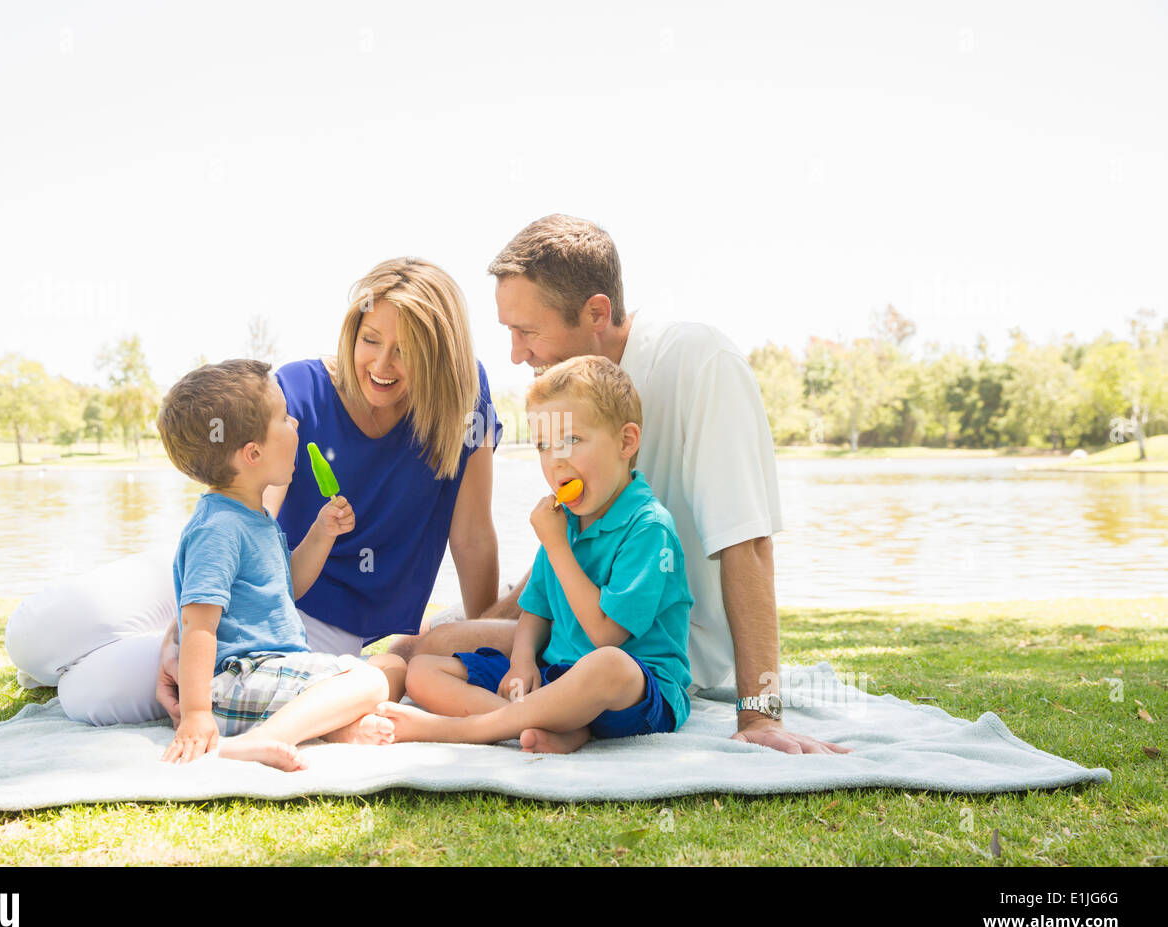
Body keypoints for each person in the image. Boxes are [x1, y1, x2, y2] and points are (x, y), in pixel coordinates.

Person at [390, 216, 851, 756]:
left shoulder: (700, 364)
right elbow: (561, 567)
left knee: (477, 649)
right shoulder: (571, 405)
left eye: (528, 332)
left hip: (656, 647)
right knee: (433, 646)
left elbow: (745, 540)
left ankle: (494, 724)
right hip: (574, 639)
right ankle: (535, 721)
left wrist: (760, 715)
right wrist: (478, 629)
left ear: (597, 313)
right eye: (508, 332)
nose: (516, 354)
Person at [5, 257, 502, 728]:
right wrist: (189, 620)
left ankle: (82, 663)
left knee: (92, 693)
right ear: (353, 330)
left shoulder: (464, 397)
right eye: (370, 339)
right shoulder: (298, 389)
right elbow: (245, 522)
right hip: (224, 567)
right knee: (32, 635)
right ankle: (72, 655)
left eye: (407, 350)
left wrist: (485, 645)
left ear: (439, 355)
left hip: (306, 627)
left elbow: (473, 534)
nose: (382, 364)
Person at [378, 356, 692, 755]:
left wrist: (557, 545)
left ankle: (476, 728)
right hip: (556, 674)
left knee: (608, 663)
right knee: (423, 671)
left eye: (571, 440)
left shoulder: (649, 527)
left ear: (626, 442)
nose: (556, 460)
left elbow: (605, 635)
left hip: (633, 692)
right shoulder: (565, 522)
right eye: (543, 445)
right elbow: (536, 611)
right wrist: (522, 662)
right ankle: (552, 725)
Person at [155, 358, 406, 771]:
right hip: (237, 680)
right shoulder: (218, 528)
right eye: (283, 418)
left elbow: (288, 588)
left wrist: (322, 534)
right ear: (253, 453)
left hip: (272, 673)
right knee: (371, 680)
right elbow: (199, 623)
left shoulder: (255, 517)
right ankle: (263, 738)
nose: (296, 423)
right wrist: (197, 712)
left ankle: (332, 728)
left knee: (393, 666)